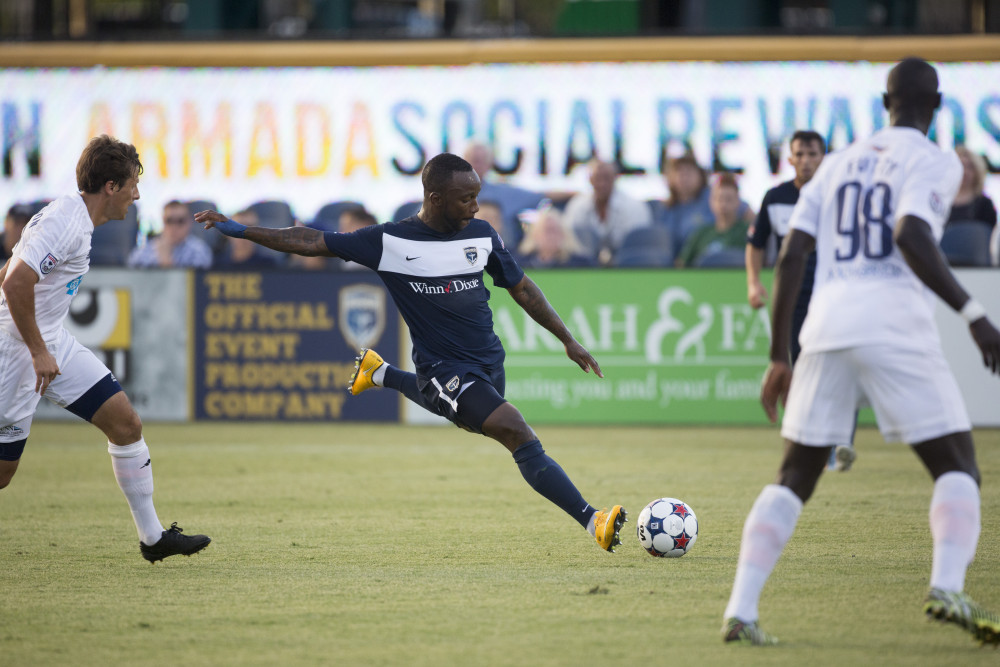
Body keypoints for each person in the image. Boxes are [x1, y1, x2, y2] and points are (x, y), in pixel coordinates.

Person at [195, 152, 627, 552]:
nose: (476, 207)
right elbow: (311, 240)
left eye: (477, 197)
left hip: (488, 362)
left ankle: (380, 373)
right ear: (435, 198)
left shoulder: (481, 234)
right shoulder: (390, 241)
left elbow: (522, 288)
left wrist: (567, 338)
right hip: (443, 367)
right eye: (466, 199)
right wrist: (241, 230)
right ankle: (594, 521)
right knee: (515, 430)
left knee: (475, 420)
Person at [722, 58, 1000, 647]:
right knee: (957, 466)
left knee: (794, 474)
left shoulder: (839, 162)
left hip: (823, 328)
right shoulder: (934, 160)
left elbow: (792, 256)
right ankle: (946, 585)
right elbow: (910, 234)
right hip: (894, 323)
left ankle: (741, 610)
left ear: (883, 102)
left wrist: (780, 355)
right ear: (939, 106)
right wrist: (975, 316)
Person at [0, 134, 210, 562]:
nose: (136, 193)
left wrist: (45, 345)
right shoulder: (67, 221)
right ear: (110, 186)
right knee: (3, 474)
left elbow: (11, 267)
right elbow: (16, 281)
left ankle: (153, 539)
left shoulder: (74, 217)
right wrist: (39, 351)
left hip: (49, 338)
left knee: (126, 423)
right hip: (18, 350)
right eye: (132, 183)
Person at [745, 130, 856, 472]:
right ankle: (807, 443)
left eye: (813, 154)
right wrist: (753, 282)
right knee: (801, 370)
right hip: (793, 296)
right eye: (800, 154)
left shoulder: (839, 195)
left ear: (825, 157)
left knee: (840, 365)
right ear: (790, 159)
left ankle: (840, 443)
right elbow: (756, 242)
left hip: (832, 293)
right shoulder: (775, 197)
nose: (807, 160)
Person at [563, 158, 652, 266]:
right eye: (597, 178)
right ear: (590, 180)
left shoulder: (634, 207)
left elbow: (638, 245)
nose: (601, 184)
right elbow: (569, 241)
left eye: (606, 178)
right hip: (586, 268)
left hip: (626, 267)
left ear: (615, 178)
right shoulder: (576, 206)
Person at [675, 172, 749, 267]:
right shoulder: (700, 233)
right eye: (719, 199)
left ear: (738, 201)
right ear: (711, 202)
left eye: (728, 199)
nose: (723, 205)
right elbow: (681, 264)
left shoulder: (748, 232)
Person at [127, 200, 213, 269]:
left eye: (180, 221)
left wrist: (166, 261)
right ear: (163, 222)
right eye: (169, 221)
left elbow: (194, 285)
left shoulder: (199, 251)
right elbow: (131, 274)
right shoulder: (146, 250)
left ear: (189, 223)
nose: (174, 226)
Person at [517, 205, 595, 269]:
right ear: (535, 235)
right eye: (547, 230)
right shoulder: (521, 264)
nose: (551, 236)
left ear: (564, 235)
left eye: (555, 230)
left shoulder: (580, 264)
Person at [947, 146, 997, 229]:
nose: (965, 172)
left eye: (970, 167)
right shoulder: (942, 201)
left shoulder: (984, 204)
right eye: (961, 165)